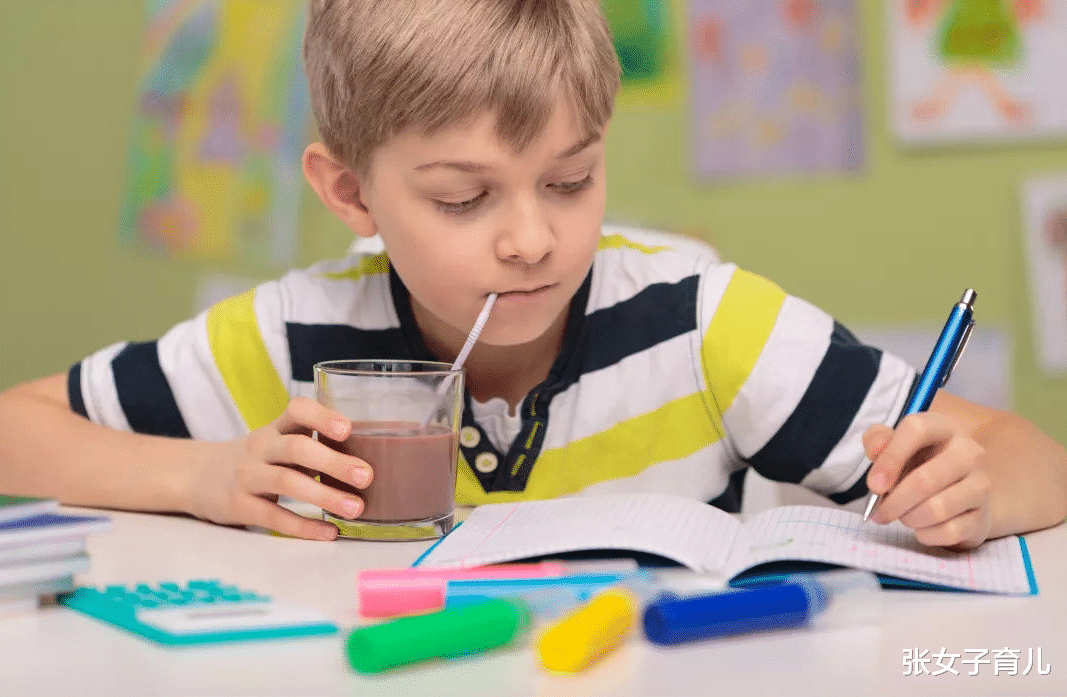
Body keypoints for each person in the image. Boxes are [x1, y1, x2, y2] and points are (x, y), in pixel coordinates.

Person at [0, 0, 1064, 549]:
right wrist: (200, 477)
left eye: (570, 180)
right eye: (463, 198)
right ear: (350, 194)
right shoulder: (293, 338)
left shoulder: (701, 321)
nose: (530, 240)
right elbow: (17, 425)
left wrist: (966, 491)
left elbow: (1032, 459)